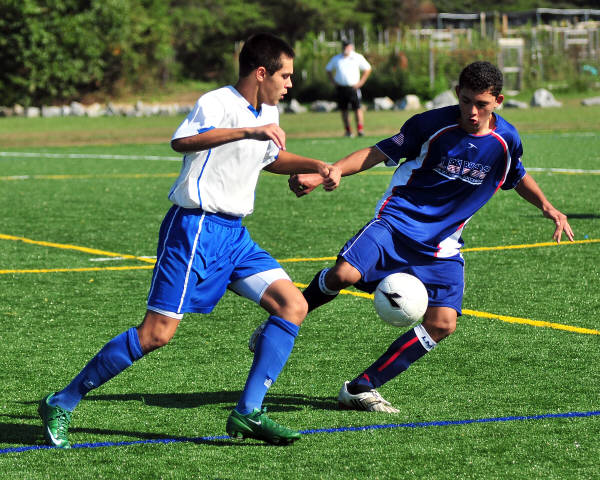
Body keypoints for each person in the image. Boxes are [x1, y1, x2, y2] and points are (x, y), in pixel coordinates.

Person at [38, 33, 341, 448]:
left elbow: (269, 158)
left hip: (235, 237)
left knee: (293, 305)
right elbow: (181, 141)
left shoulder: (268, 111)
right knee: (156, 334)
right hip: (194, 230)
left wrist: (316, 165)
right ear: (261, 72)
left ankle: (249, 411)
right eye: (285, 75)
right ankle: (62, 401)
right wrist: (247, 131)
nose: (290, 83)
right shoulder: (217, 102)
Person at [287, 61, 574, 412]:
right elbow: (377, 153)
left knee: (442, 323)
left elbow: (516, 175)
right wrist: (326, 174)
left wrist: (547, 206)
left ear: (498, 101)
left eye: (481, 104)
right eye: (466, 101)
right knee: (342, 274)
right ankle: (287, 317)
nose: (472, 111)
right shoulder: (429, 125)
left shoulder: (506, 140)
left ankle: (362, 387)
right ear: (457, 94)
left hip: (442, 245)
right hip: (397, 223)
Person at [326, 40, 372, 137]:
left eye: (347, 46)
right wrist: (333, 82)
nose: (345, 48)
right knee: (344, 109)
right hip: (341, 88)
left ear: (351, 47)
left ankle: (360, 129)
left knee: (357, 108)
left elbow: (368, 68)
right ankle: (348, 131)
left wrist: (361, 82)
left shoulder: (357, 57)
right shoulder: (337, 58)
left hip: (353, 88)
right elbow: (328, 69)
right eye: (344, 46)